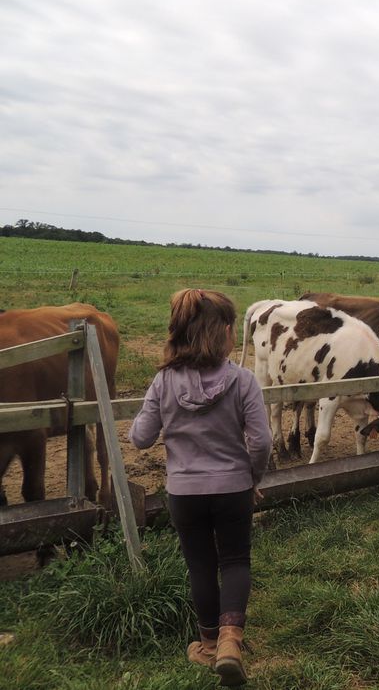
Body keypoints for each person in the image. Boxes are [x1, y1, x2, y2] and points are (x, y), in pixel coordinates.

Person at [129, 289, 272, 686]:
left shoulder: (163, 381)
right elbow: (261, 442)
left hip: (184, 493)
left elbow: (141, 438)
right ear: (225, 331)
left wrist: (141, 418)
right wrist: (251, 478)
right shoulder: (244, 381)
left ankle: (208, 644)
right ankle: (231, 641)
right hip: (233, 489)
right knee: (236, 561)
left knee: (201, 565)